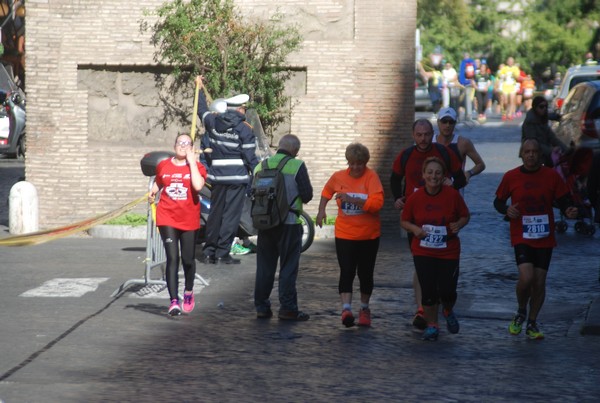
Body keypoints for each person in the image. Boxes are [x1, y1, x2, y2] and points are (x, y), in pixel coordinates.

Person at [494, 138, 579, 340]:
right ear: (521, 154)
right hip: (521, 234)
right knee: (526, 277)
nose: (531, 155)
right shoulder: (511, 176)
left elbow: (564, 200)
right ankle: (521, 309)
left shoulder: (551, 176)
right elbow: (498, 202)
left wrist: (570, 210)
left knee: (539, 281)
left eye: (534, 151)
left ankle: (532, 322)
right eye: (527, 151)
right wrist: (508, 209)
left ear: (540, 155)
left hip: (544, 236)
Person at [391, 118, 466, 330]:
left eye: (426, 134)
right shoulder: (405, 155)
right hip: (416, 218)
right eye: (419, 135)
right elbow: (395, 179)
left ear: (431, 134)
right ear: (413, 135)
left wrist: (453, 183)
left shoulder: (444, 152)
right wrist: (398, 197)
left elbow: (460, 178)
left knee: (441, 274)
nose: (423, 139)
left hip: (442, 220)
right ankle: (423, 308)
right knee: (420, 262)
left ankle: (441, 304)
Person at [400, 157, 470, 341]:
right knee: (428, 292)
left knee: (447, 291)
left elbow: (465, 215)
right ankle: (432, 325)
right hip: (423, 251)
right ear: (423, 175)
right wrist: (415, 229)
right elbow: (404, 220)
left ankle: (447, 310)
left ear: (443, 175)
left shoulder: (452, 195)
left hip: (448, 251)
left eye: (438, 173)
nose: (433, 176)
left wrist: (459, 224)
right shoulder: (415, 197)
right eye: (429, 172)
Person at [316, 143, 384, 328]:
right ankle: (346, 309)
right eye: (351, 163)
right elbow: (326, 191)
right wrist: (321, 210)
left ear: (365, 163)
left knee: (365, 274)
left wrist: (354, 200)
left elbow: (377, 204)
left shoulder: (372, 178)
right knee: (346, 271)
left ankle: (364, 309)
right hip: (345, 234)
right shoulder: (339, 177)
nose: (355, 167)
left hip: (368, 236)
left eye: (359, 164)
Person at [196, 76, 258, 265]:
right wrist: (258, 172)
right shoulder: (244, 129)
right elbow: (250, 157)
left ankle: (208, 252)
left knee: (215, 214)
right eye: (244, 108)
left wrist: (199, 89)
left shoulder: (213, 123)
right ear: (239, 109)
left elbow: (202, 111)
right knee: (231, 217)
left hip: (216, 177)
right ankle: (223, 253)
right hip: (236, 179)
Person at [254, 134, 313, 321]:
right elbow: (307, 195)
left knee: (264, 267)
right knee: (288, 267)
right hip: (289, 223)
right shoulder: (297, 165)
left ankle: (262, 307)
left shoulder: (260, 166)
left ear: (279, 146)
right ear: (295, 150)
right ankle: (288, 309)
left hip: (265, 224)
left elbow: (251, 192)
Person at [149, 133, 207, 316]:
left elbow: (198, 186)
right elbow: (160, 181)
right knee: (173, 258)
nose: (183, 146)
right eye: (180, 143)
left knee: (188, 260)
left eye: (187, 143)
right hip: (167, 217)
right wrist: (153, 191)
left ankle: (188, 292)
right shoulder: (164, 165)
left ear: (191, 147)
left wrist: (191, 163)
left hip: (189, 218)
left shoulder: (197, 167)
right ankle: (173, 301)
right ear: (174, 146)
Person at [433, 107, 486, 185]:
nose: (447, 125)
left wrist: (469, 173)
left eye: (451, 122)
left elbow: (480, 165)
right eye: (444, 121)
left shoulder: (463, 143)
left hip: (455, 190)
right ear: (438, 122)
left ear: (455, 123)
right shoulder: (430, 141)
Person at [521, 95, 568, 167]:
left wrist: (565, 149)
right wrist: (551, 150)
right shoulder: (530, 122)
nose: (544, 109)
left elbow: (552, 138)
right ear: (535, 108)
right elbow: (532, 142)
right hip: (533, 155)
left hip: (544, 153)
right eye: (541, 107)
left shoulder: (542, 118)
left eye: (546, 106)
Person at [458, 52, 477, 121]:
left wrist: (462, 82)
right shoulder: (473, 63)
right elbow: (475, 73)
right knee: (469, 99)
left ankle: (466, 115)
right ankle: (469, 115)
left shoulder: (463, 63)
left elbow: (461, 74)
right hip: (471, 83)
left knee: (464, 99)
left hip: (465, 84)